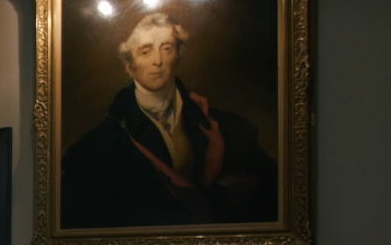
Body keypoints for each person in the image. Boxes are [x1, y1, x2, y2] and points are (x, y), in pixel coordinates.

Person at [60, 12, 278, 229]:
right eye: (146, 51)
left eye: (167, 49)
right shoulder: (100, 144)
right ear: (129, 65)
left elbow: (269, 196)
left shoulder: (223, 126)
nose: (158, 61)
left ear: (178, 57)